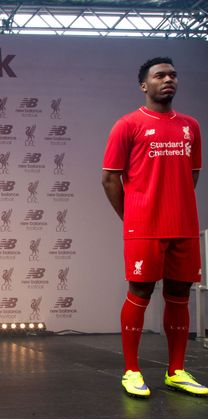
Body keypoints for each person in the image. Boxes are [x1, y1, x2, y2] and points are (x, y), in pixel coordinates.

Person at [102, 57, 206, 398]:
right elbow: (109, 178)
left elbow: (192, 175)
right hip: (144, 227)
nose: (168, 79)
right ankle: (131, 371)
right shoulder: (128, 124)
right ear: (144, 85)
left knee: (179, 295)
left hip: (184, 227)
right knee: (140, 292)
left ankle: (176, 371)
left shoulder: (191, 126)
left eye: (173, 74)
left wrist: (174, 205)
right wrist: (133, 215)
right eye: (160, 75)